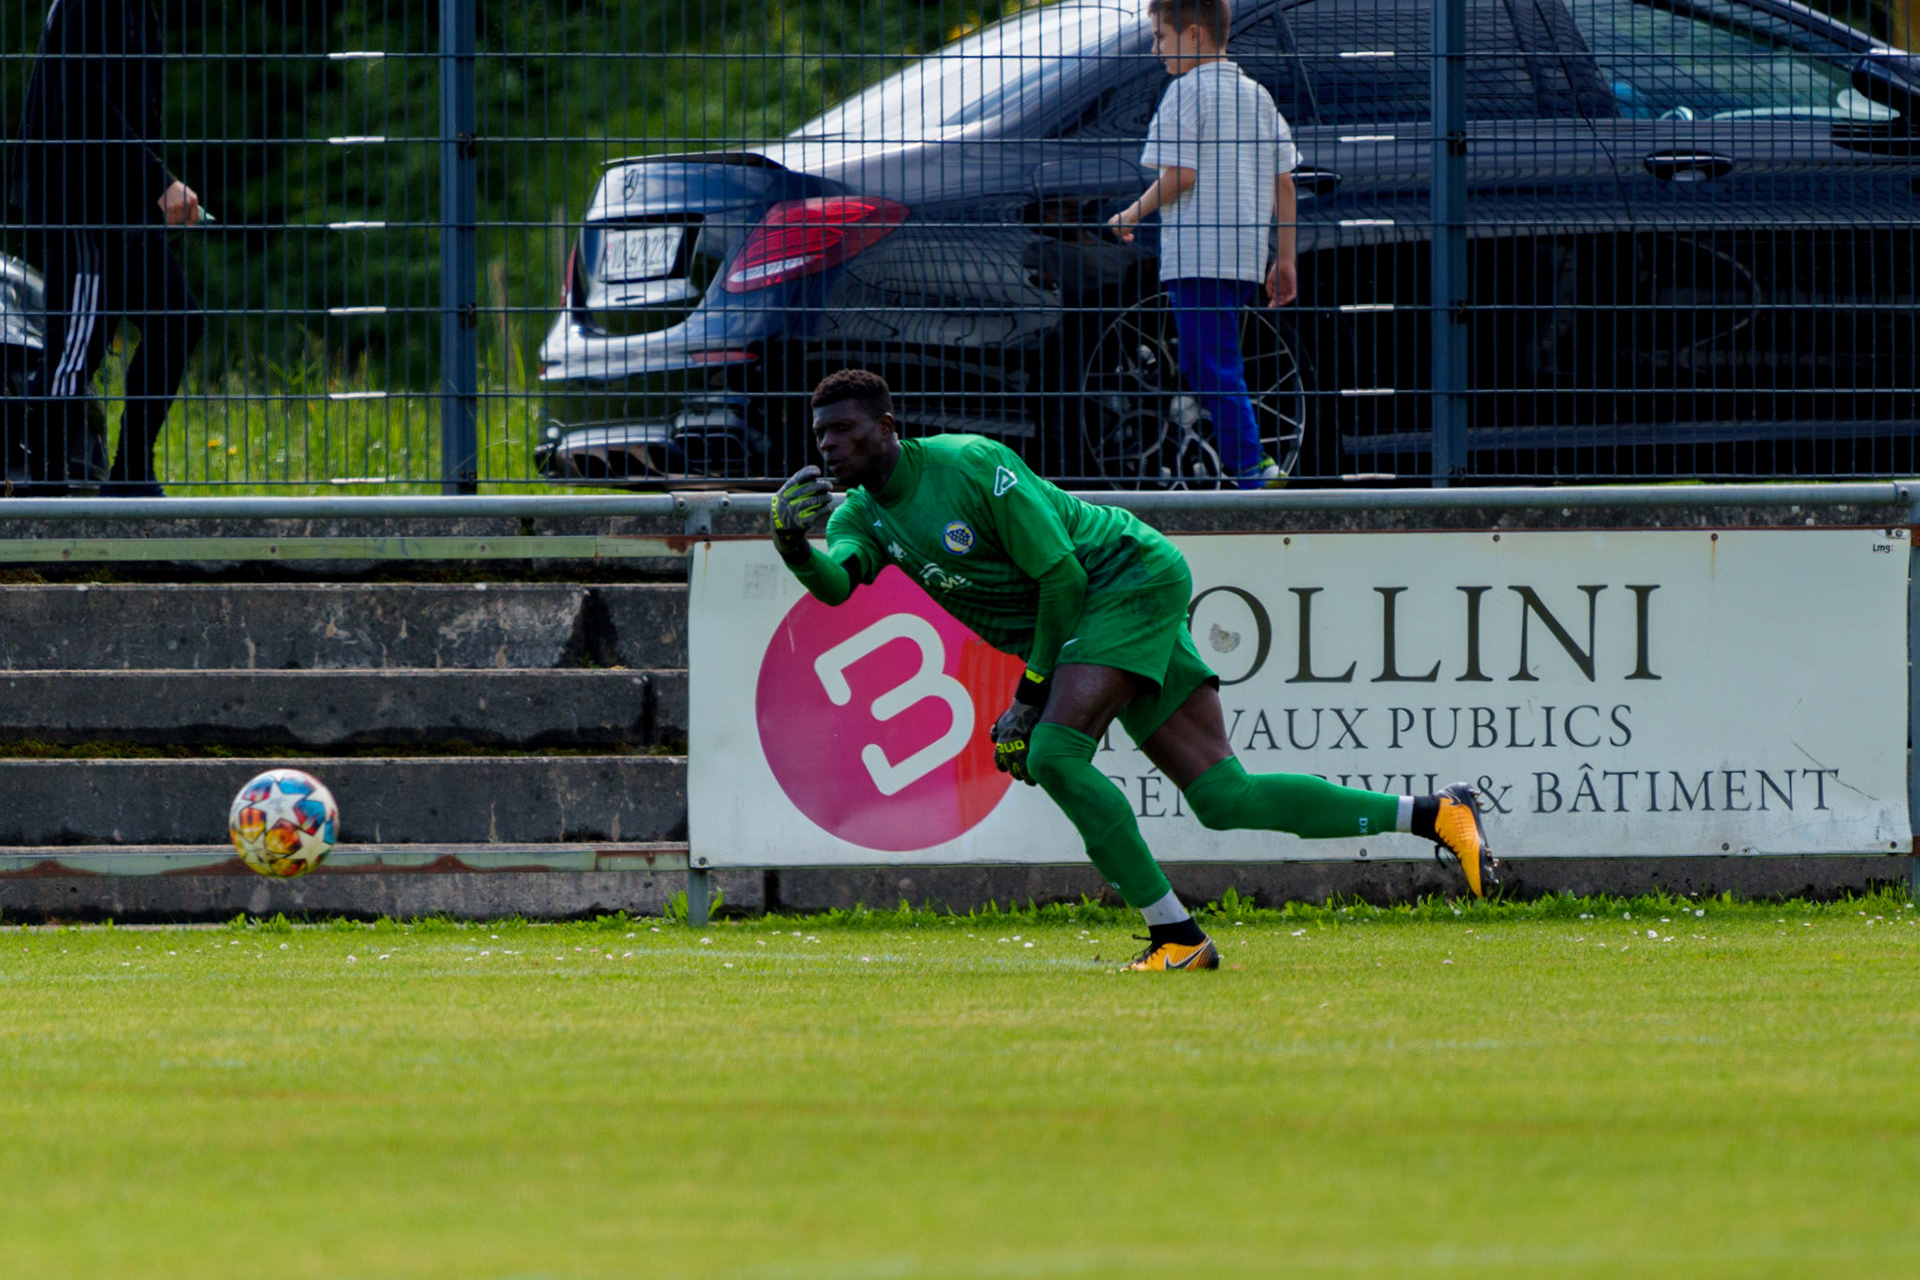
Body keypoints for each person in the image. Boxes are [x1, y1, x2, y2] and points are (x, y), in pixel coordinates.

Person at [771, 370, 1496, 972]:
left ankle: (1175, 938)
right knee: (1224, 796)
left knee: (1053, 753)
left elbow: (1060, 578)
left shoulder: (967, 463)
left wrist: (1029, 698)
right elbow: (838, 583)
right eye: (820, 435)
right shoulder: (859, 515)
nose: (829, 446)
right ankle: (1435, 812)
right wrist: (790, 542)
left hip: (1123, 577)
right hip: (1095, 610)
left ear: (888, 425)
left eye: (844, 430)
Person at [8, 0, 206, 497]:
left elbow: (134, 106)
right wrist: (160, 182)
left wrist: (150, 193)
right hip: (82, 203)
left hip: (122, 204)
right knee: (73, 350)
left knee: (176, 318)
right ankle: (45, 484)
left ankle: (131, 470)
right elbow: (86, 103)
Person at [1107, 0, 1296, 489]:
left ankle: (1254, 471)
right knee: (1206, 359)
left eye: (1161, 37)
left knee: (1213, 365)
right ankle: (1253, 464)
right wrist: (1286, 259)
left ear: (1193, 34)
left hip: (1198, 257)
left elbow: (1181, 175)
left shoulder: (1184, 91)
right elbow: (1285, 183)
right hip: (1245, 259)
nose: (1156, 49)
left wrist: (1132, 212)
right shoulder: (1257, 95)